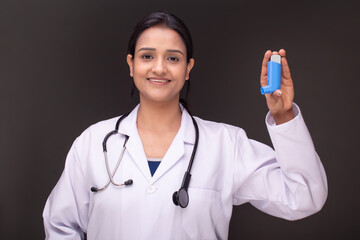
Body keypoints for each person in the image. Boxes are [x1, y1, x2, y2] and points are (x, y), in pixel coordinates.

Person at [43, 11, 328, 240]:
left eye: (173, 58)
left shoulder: (225, 144)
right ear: (131, 65)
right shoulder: (93, 143)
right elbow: (60, 227)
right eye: (147, 56)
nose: (159, 68)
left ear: (188, 68)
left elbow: (304, 196)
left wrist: (284, 115)